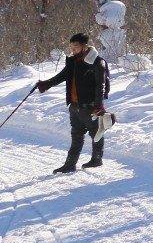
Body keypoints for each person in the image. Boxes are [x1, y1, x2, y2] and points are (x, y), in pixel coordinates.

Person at [36, 32, 110, 174]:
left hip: (90, 107)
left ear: (84, 46)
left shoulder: (97, 62)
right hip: (75, 106)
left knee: (96, 133)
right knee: (76, 136)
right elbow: (62, 76)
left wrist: (99, 105)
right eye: (71, 47)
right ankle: (70, 164)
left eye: (75, 47)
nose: (73, 50)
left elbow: (100, 85)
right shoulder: (73, 61)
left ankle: (96, 159)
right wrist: (46, 84)